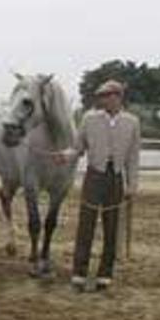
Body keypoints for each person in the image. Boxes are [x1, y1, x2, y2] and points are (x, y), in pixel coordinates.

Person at [63, 80, 140, 292]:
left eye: (106, 96)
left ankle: (105, 274)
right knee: (86, 224)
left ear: (117, 97)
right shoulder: (89, 119)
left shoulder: (132, 122)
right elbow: (78, 147)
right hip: (94, 175)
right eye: (101, 96)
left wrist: (132, 184)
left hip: (116, 177)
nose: (102, 100)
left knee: (112, 226)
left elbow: (133, 157)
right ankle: (79, 272)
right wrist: (65, 156)